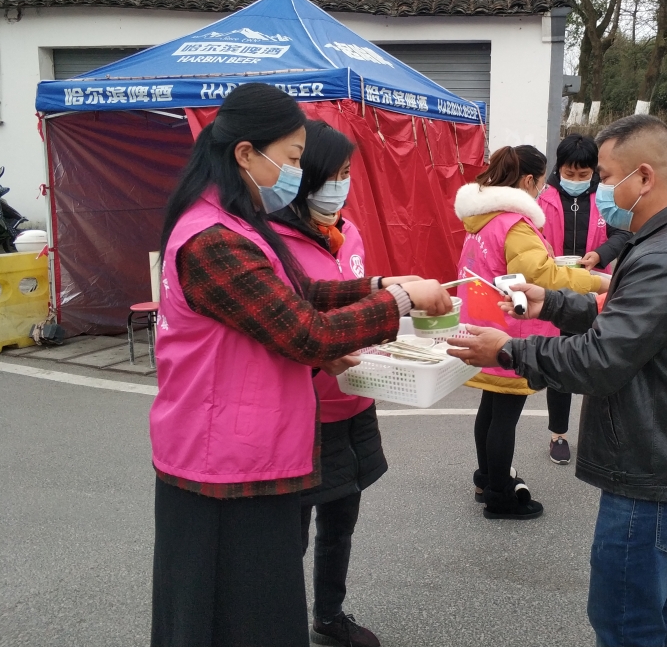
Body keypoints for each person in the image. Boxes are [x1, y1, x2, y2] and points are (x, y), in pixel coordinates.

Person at [149, 83, 451, 647]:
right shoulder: (211, 238)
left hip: (252, 449)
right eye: (290, 159)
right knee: (231, 616)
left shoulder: (240, 222)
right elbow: (305, 332)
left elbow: (301, 292)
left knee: (259, 611)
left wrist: (385, 284)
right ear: (245, 153)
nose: (296, 172)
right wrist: (401, 302)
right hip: (223, 462)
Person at [447, 115, 667, 647]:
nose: (598, 188)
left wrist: (509, 348)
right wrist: (552, 302)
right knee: (658, 607)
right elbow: (625, 320)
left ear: (644, 177)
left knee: (626, 621)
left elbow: (602, 357)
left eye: (604, 176)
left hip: (655, 471)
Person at [269, 120, 386, 647]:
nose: (342, 185)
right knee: (287, 534)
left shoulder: (350, 231)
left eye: (348, 173)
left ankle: (329, 615)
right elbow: (285, 333)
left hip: (354, 402)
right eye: (333, 174)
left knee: (342, 519)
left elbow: (359, 303)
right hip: (303, 413)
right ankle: (280, 623)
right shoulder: (274, 243)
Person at [454, 144, 608, 520]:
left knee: (490, 411)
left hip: (481, 323)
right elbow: (544, 275)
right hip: (509, 329)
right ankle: (500, 495)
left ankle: (486, 478)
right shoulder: (513, 224)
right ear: (528, 180)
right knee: (504, 416)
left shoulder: (483, 218)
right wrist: (598, 282)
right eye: (540, 183)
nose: (542, 190)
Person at [536, 134, 630, 465]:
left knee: (601, 361)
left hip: (597, 290)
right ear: (558, 169)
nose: (576, 181)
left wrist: (600, 253)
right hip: (558, 292)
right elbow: (532, 240)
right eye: (569, 174)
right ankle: (558, 433)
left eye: (583, 175)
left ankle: (605, 434)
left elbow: (623, 233)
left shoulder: (606, 198)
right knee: (560, 363)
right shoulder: (542, 200)